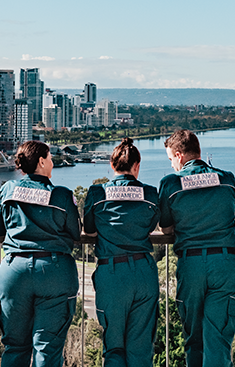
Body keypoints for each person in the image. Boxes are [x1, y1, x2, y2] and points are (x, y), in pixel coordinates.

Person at [0, 140, 81, 367]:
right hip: (54, 273)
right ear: (41, 162)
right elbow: (75, 232)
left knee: (15, 346)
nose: (52, 162)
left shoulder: (8, 190)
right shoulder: (61, 196)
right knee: (47, 349)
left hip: (15, 273)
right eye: (50, 158)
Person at [157, 129, 235, 367]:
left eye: (171, 160)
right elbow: (234, 211)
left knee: (193, 337)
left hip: (191, 263)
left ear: (178, 155)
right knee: (218, 338)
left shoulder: (171, 184)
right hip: (224, 263)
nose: (172, 165)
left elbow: (165, 228)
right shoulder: (226, 178)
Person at [83, 138, 161, 367]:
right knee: (141, 347)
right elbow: (151, 226)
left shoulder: (97, 194)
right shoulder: (150, 194)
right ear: (137, 165)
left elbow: (89, 229)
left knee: (115, 347)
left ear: (111, 164)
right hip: (144, 272)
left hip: (112, 273)